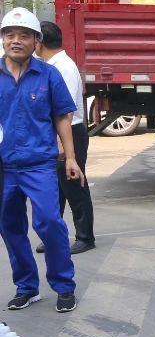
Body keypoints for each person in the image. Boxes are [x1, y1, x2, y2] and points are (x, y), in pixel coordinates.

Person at [1, 8, 82, 313]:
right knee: (10, 227)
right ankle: (26, 287)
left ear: (36, 41)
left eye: (24, 35)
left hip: (39, 165)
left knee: (49, 223)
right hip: (4, 168)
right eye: (10, 35)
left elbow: (63, 116)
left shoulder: (49, 75)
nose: (16, 41)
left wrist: (71, 157)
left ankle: (64, 286)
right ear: (3, 39)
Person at [35, 21, 94, 255]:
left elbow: (66, 110)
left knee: (74, 185)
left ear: (39, 43)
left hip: (70, 132)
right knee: (56, 189)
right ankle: (53, 236)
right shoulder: (53, 65)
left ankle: (85, 237)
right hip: (58, 133)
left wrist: (62, 142)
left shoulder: (63, 67)